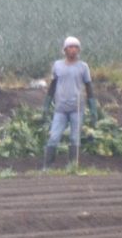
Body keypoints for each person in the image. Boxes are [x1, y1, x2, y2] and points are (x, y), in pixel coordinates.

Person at [41, 35, 99, 169]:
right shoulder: (57, 66)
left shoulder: (83, 67)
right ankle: (47, 166)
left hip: (76, 108)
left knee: (74, 138)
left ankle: (73, 166)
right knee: (54, 137)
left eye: (76, 48)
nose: (73, 50)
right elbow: (52, 86)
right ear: (65, 50)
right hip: (60, 109)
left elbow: (89, 88)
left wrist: (93, 109)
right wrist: (46, 105)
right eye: (70, 47)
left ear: (79, 50)